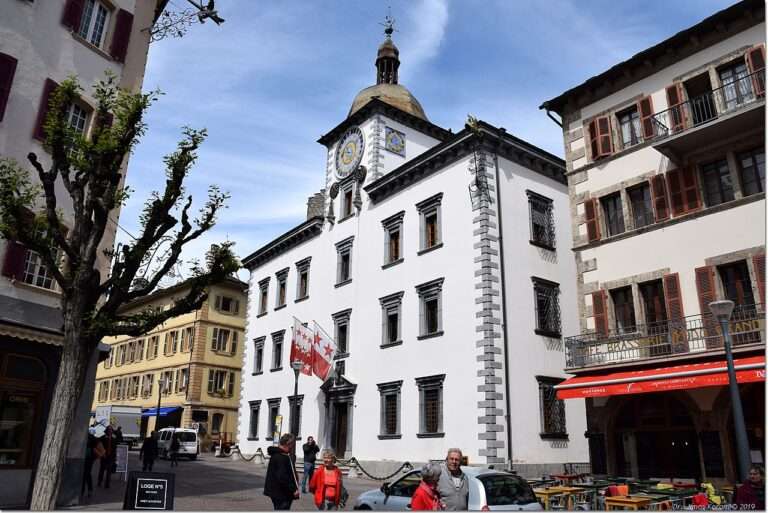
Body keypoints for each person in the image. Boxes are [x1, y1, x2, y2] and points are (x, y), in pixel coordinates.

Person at [264, 433, 300, 510]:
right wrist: (293, 489)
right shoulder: (281, 457)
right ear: (288, 443)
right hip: (282, 493)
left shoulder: (279, 454)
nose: (292, 447)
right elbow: (282, 476)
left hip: (278, 492)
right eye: (292, 444)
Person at [81, 430, 98, 498]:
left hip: (88, 459)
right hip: (87, 459)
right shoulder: (91, 437)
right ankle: (86, 491)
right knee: (86, 475)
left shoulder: (91, 438)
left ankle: (86, 491)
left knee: (86, 475)